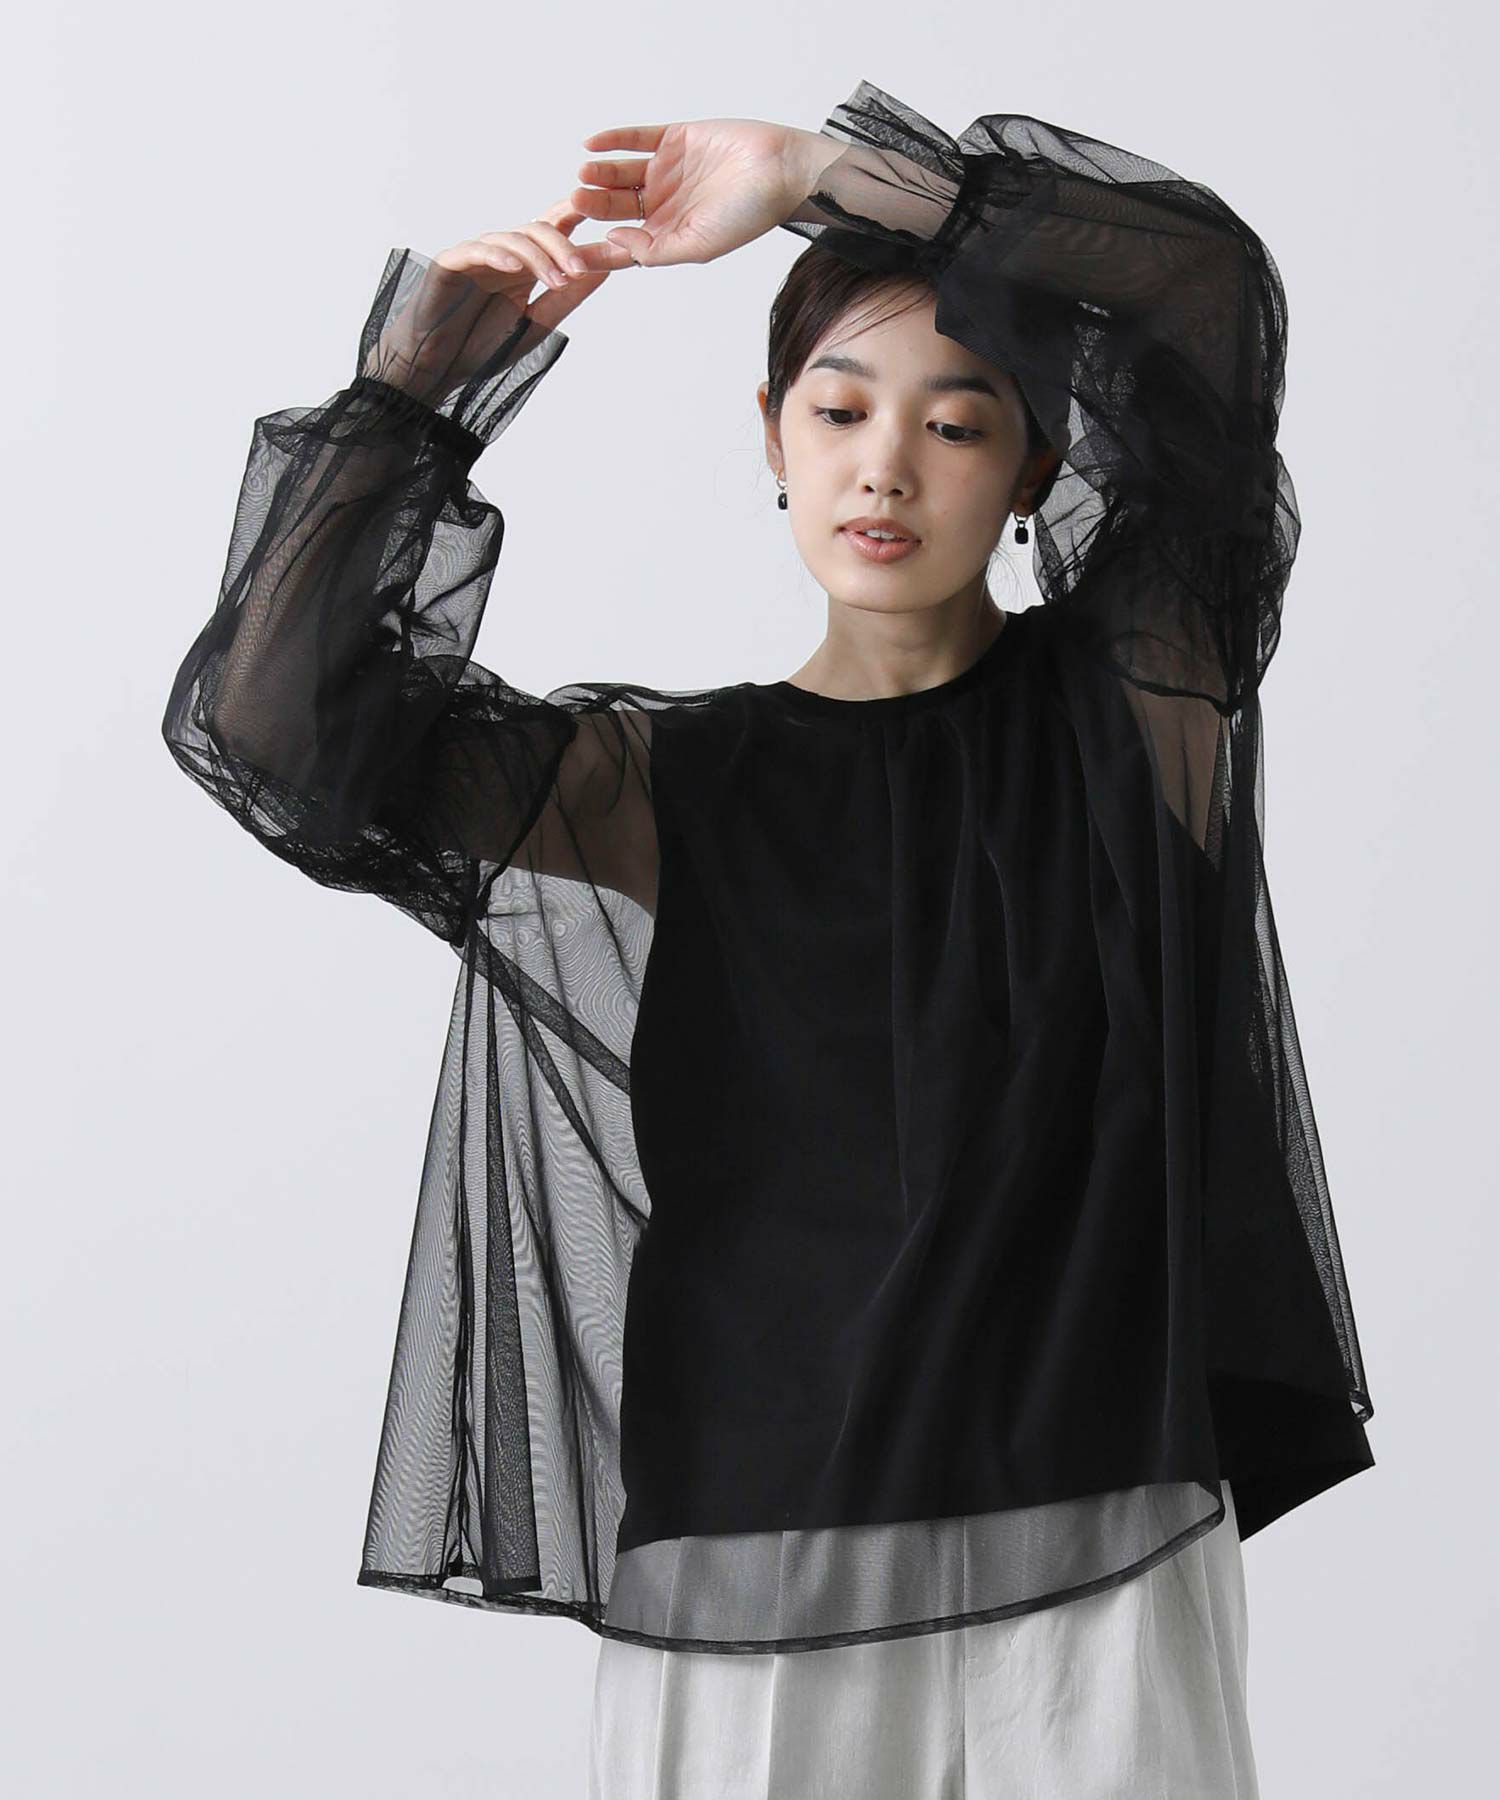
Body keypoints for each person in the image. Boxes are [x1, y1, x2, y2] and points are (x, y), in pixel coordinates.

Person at [162, 79, 1375, 1799]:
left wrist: (819, 177)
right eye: (842, 408)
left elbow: (1198, 289)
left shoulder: (1131, 709)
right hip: (754, 1563)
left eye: (959, 422)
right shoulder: (657, 785)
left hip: (1093, 1556)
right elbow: (274, 732)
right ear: (774, 435)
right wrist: (421, 393)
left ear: (1036, 465)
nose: (887, 464)